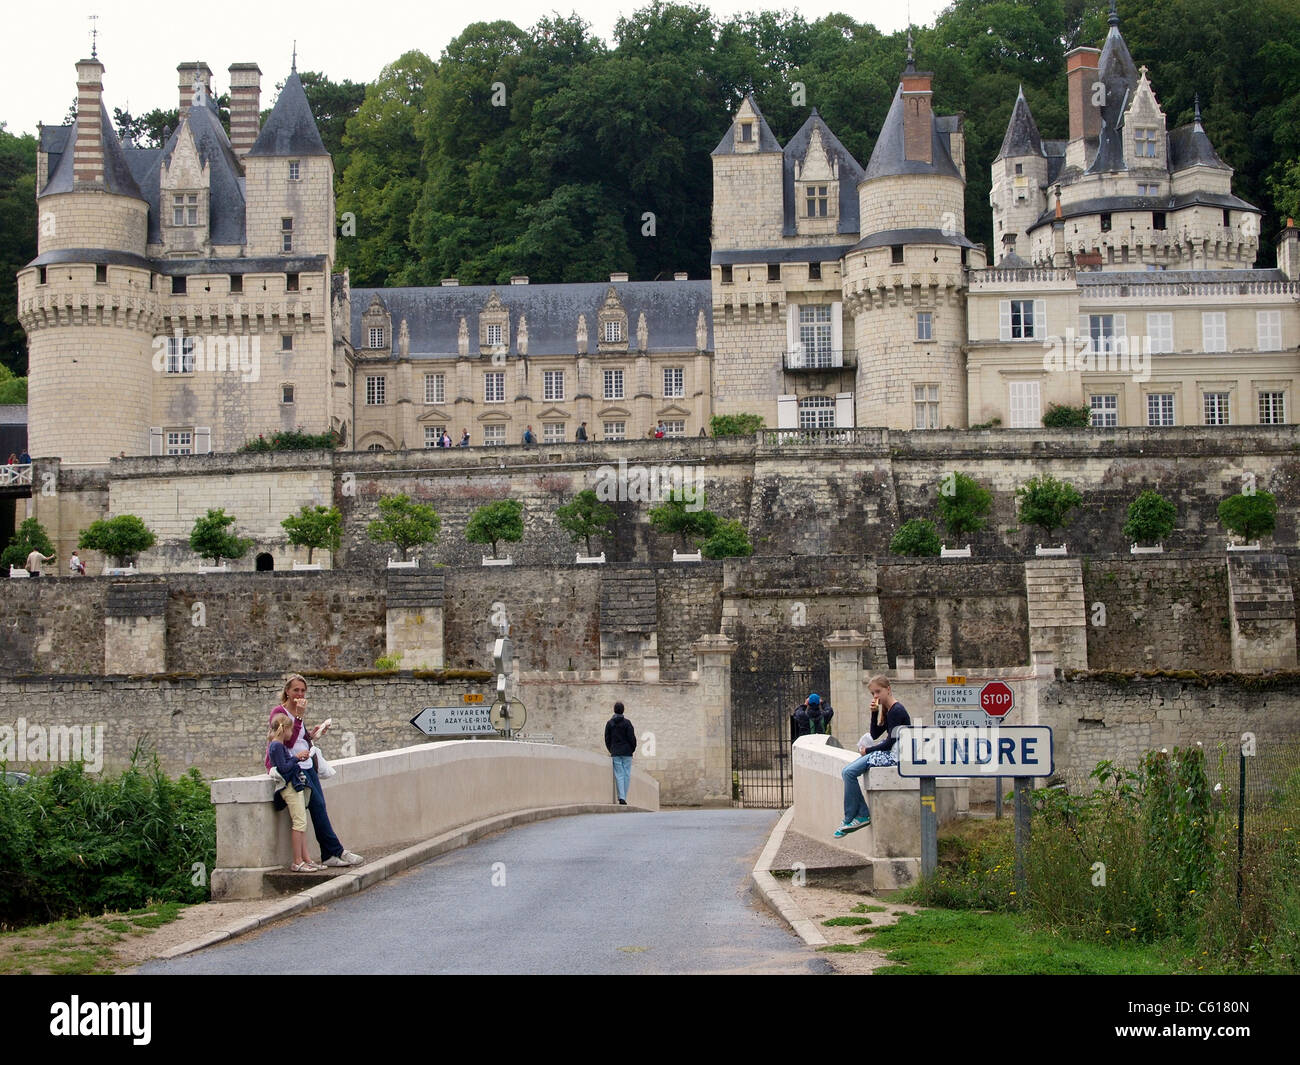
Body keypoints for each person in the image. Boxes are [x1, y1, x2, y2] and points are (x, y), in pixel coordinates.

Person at [265, 674, 364, 867]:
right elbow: (287, 741)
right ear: (287, 691)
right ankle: (333, 852)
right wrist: (300, 716)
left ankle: (331, 853)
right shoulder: (280, 712)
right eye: (296, 690)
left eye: (302, 690)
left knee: (319, 807)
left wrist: (313, 734)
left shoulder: (297, 714)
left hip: (307, 764)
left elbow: (301, 740)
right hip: (294, 768)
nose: (299, 694)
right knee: (316, 807)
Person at [834, 674, 910, 838]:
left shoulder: (897, 711)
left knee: (849, 772)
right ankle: (858, 815)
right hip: (890, 753)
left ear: (888, 689)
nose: (875, 696)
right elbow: (875, 734)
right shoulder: (889, 710)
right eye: (872, 694)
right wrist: (874, 713)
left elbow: (891, 742)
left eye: (878, 692)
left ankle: (856, 816)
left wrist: (867, 751)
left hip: (895, 757)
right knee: (847, 771)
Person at [266, 711, 323, 871]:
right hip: (289, 786)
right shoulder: (277, 746)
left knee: (301, 822)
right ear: (284, 729)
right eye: (290, 730)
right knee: (299, 823)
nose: (292, 734)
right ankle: (298, 861)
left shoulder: (277, 745)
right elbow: (283, 768)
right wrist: (297, 758)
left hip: (293, 785)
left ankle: (305, 858)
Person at [604, 701, 637, 805]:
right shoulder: (627, 723)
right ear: (623, 710)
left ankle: (621, 797)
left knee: (619, 775)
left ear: (614, 710)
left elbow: (607, 739)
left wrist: (611, 749)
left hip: (616, 752)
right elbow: (632, 738)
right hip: (627, 752)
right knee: (626, 774)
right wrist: (632, 749)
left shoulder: (610, 723)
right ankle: (623, 797)